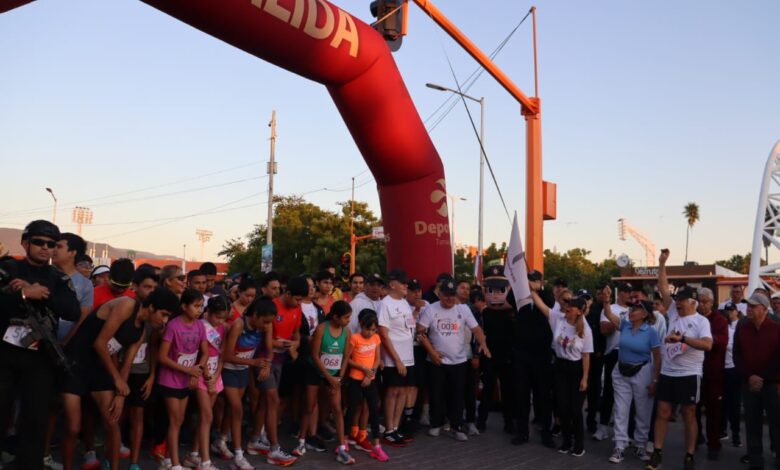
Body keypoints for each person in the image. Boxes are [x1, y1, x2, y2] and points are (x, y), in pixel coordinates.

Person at [61, 288, 177, 470]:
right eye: (163, 315)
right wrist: (117, 381)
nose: (164, 321)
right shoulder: (126, 305)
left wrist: (121, 394)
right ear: (152, 306)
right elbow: (100, 343)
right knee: (74, 426)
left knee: (113, 423)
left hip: (100, 368)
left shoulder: (141, 331)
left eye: (168, 317)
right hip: (76, 363)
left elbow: (127, 365)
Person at [0, 220, 81, 469]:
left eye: (52, 244)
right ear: (25, 243)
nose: (45, 248)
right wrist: (23, 294)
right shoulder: (7, 268)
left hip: (40, 357)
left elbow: (72, 311)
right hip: (4, 354)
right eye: (39, 242)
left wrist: (41, 293)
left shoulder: (58, 277)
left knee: (35, 419)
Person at [646, 249, 713, 470]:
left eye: (683, 301)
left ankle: (690, 454)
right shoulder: (673, 311)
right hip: (668, 372)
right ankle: (657, 451)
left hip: (689, 374)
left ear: (693, 302)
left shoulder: (701, 321)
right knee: (663, 412)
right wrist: (662, 263)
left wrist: (683, 338)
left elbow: (708, 345)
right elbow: (663, 286)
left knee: (688, 413)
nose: (679, 304)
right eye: (678, 300)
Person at [416, 280, 490, 442]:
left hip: (459, 360)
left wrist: (483, 343)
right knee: (437, 393)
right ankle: (436, 424)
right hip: (437, 360)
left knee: (457, 395)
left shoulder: (463, 309)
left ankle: (456, 427)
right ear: (440, 294)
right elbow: (420, 332)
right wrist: (432, 352)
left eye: (452, 295)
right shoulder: (431, 309)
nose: (449, 299)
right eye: (445, 295)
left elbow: (476, 329)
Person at [248, 277, 307, 466]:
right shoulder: (272, 307)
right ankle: (274, 449)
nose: (298, 303)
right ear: (287, 293)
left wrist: (294, 344)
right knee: (273, 401)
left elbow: (297, 334)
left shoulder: (297, 308)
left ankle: (255, 440)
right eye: (297, 299)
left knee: (267, 403)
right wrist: (278, 345)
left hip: (280, 360)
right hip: (264, 359)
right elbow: (264, 339)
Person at [601, 295, 661, 464]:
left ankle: (641, 446)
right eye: (631, 308)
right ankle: (619, 446)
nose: (631, 311)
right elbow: (609, 314)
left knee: (643, 411)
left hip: (642, 372)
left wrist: (655, 381)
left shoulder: (651, 332)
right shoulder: (625, 325)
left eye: (635, 308)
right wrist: (606, 302)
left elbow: (658, 358)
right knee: (620, 410)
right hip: (621, 370)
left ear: (644, 314)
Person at [216, 296, 274, 468]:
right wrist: (253, 363)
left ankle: (220, 440)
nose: (265, 326)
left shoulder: (266, 326)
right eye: (264, 322)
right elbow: (226, 355)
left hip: (242, 371)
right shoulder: (239, 325)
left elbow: (269, 349)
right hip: (229, 371)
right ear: (255, 315)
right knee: (237, 410)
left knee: (231, 410)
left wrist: (266, 365)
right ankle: (239, 455)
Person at [156, 289, 209, 470]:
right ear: (184, 306)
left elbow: (205, 352)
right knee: (175, 420)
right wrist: (189, 370)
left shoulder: (200, 325)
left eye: (201, 306)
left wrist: (197, 371)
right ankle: (175, 464)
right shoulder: (173, 326)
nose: (199, 310)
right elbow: (162, 357)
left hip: (187, 379)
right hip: (170, 379)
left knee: (180, 419)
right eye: (195, 306)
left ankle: (169, 461)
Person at [298, 300, 355, 464]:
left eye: (349, 317)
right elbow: (315, 355)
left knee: (337, 409)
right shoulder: (322, 329)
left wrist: (339, 378)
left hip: (334, 372)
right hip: (315, 370)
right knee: (309, 406)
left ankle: (342, 448)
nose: (348, 321)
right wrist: (328, 378)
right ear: (335, 317)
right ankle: (301, 441)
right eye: (345, 317)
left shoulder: (347, 331)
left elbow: (345, 356)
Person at [541, 294, 593, 457]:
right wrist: (533, 292)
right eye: (567, 305)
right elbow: (542, 307)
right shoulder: (559, 320)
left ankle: (579, 443)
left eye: (571, 306)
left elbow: (586, 355)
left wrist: (585, 378)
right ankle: (566, 440)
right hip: (560, 367)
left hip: (577, 369)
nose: (567, 308)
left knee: (575, 409)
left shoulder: (585, 329)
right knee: (562, 407)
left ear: (579, 311)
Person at [733, 292, 780, 470]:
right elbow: (737, 355)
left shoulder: (776, 328)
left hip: (771, 384)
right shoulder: (743, 328)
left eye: (752, 306)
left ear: (764, 309)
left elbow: (778, 358)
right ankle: (755, 460)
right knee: (752, 423)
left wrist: (763, 377)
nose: (748, 309)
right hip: (749, 383)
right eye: (748, 306)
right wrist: (749, 376)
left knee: (777, 423)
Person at [121, 269, 161, 470]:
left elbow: (153, 347)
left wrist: (152, 375)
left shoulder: (155, 315)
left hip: (141, 373)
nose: (151, 291)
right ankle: (112, 456)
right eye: (147, 286)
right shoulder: (126, 308)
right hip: (120, 372)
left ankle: (134, 463)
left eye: (154, 287)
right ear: (134, 287)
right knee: (117, 417)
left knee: (138, 415)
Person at [183, 295, 229, 470]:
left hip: (216, 375)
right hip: (201, 374)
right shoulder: (200, 326)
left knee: (205, 420)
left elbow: (222, 354)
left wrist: (216, 375)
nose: (220, 321)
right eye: (217, 316)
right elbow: (201, 353)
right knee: (207, 416)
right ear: (208, 312)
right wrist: (209, 377)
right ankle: (205, 461)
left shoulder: (224, 327)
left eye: (223, 317)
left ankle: (194, 454)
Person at [478, 265, 520, 434]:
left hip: (508, 355)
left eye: (500, 290)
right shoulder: (484, 313)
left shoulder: (513, 311)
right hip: (489, 354)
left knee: (508, 390)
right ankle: (481, 420)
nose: (495, 294)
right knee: (487, 389)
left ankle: (509, 422)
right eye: (491, 290)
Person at [377, 268, 416, 447]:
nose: (406, 285)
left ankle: (396, 426)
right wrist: (397, 360)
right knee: (392, 392)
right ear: (392, 284)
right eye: (402, 283)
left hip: (409, 356)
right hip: (394, 358)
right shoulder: (385, 304)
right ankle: (388, 429)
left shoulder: (404, 303)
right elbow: (383, 334)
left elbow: (408, 326)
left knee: (402, 392)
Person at [345, 309, 388, 461]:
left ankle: (377, 445)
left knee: (374, 410)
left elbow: (376, 359)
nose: (370, 333)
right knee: (352, 408)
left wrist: (370, 374)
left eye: (373, 330)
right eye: (367, 329)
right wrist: (362, 369)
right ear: (361, 325)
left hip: (370, 379)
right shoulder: (355, 338)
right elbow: (347, 359)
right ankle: (344, 442)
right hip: (355, 379)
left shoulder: (376, 338)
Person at [594, 282, 633, 441]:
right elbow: (603, 329)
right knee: (609, 391)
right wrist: (620, 322)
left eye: (631, 292)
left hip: (631, 354)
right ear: (620, 293)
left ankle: (625, 432)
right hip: (613, 353)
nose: (630, 295)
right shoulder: (611, 309)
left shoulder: (635, 310)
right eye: (627, 292)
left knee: (629, 394)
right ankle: (603, 427)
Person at [694, 287, 729, 460]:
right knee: (693, 408)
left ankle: (713, 444)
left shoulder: (719, 320)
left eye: (705, 301)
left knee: (714, 411)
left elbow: (721, 342)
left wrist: (704, 340)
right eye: (699, 301)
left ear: (712, 302)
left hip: (713, 371)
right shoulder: (693, 318)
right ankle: (696, 436)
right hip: (694, 370)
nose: (702, 305)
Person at [585, 285, 609, 435]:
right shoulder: (589, 311)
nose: (602, 295)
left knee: (594, 391)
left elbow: (604, 333)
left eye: (605, 293)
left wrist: (600, 350)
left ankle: (592, 421)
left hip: (597, 357)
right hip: (583, 356)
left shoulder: (607, 310)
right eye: (600, 293)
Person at [721, 303, 742, 447]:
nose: (729, 313)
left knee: (733, 404)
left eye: (731, 310)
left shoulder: (737, 329)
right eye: (726, 311)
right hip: (720, 369)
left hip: (733, 369)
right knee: (720, 402)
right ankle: (722, 431)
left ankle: (736, 434)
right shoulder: (719, 328)